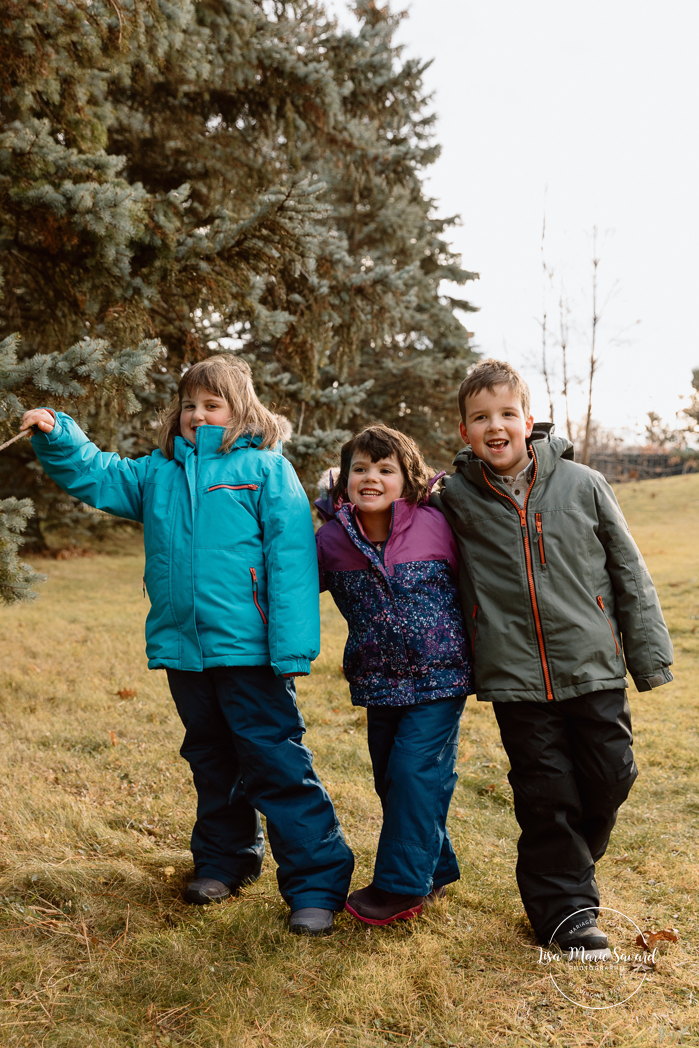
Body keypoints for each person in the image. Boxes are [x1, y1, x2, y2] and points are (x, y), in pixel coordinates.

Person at [22, 355, 354, 937]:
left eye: (213, 404)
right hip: (186, 650)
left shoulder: (266, 470)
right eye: (190, 404)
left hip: (249, 651)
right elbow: (98, 474)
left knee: (274, 762)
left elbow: (293, 562)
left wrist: (292, 649)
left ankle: (316, 884)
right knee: (211, 758)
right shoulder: (158, 474)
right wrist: (60, 432)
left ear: (241, 410)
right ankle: (225, 861)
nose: (198, 414)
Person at [432, 358, 673, 959]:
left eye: (506, 414)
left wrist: (648, 659)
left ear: (529, 420)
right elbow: (395, 510)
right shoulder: (454, 500)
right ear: (463, 431)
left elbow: (629, 573)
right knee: (546, 794)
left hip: (592, 664)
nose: (495, 426)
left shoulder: (583, 484)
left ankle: (570, 862)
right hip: (515, 677)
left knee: (612, 775)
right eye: (480, 417)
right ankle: (565, 910)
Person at [315, 424, 472, 925]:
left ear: (408, 479)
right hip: (378, 679)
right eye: (360, 468)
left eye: (386, 469)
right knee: (392, 778)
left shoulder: (436, 523)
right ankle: (437, 866)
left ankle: (402, 886)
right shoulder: (332, 540)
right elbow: (292, 582)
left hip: (440, 676)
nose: (372, 477)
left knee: (413, 772)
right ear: (343, 481)